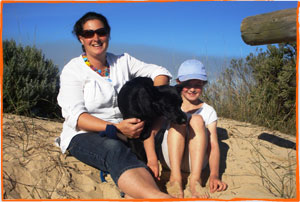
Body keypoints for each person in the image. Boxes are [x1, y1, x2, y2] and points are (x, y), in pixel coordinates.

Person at [56, 11, 173, 199]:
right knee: (114, 148)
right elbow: (76, 117)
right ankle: (158, 197)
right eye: (88, 34)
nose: (96, 38)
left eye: (101, 32)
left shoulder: (122, 61)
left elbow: (160, 72)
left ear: (108, 34)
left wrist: (155, 95)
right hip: (85, 134)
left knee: (166, 131)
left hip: (128, 130)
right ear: (81, 39)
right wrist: (115, 128)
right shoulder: (73, 70)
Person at [159, 59, 228, 198]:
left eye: (197, 85)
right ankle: (175, 179)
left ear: (203, 85)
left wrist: (214, 175)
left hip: (195, 162)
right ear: (178, 83)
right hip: (171, 160)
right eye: (187, 85)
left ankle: (195, 180)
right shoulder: (170, 105)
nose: (192, 89)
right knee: (180, 119)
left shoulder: (208, 111)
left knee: (197, 120)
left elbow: (213, 145)